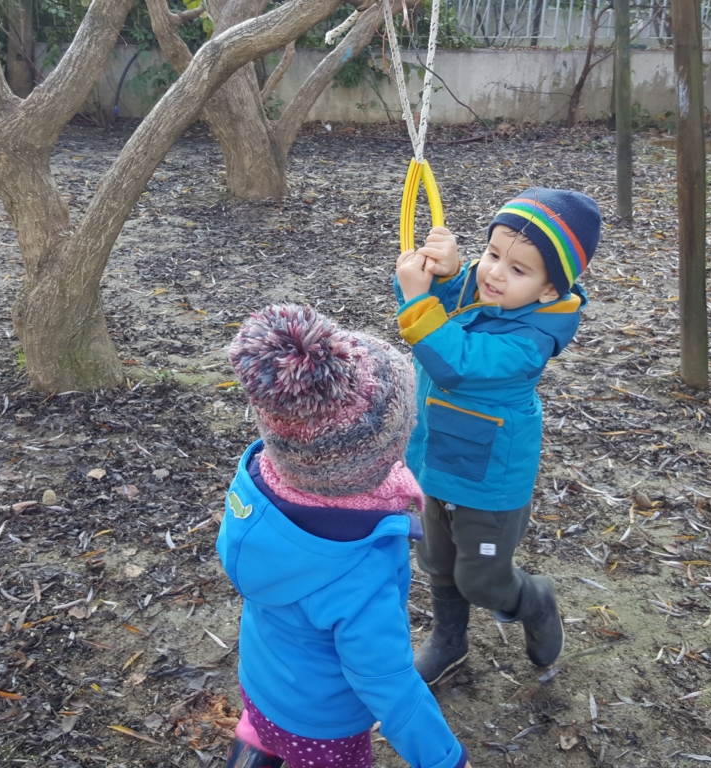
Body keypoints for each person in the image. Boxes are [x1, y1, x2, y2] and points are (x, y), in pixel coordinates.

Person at [217, 304, 472, 768]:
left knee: (263, 729)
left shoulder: (254, 488)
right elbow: (389, 683)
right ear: (381, 454)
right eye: (407, 425)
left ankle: (251, 752)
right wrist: (445, 760)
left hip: (260, 682)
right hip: (323, 729)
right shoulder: (358, 569)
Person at [393, 187, 602, 684]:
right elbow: (447, 307)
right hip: (434, 459)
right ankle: (449, 642)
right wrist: (445, 274)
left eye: (518, 269)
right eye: (492, 254)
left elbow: (456, 364)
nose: (494, 273)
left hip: (488, 479)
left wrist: (418, 299)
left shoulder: (532, 340)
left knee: (482, 580)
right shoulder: (484, 288)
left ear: (549, 290)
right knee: (437, 561)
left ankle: (536, 600)